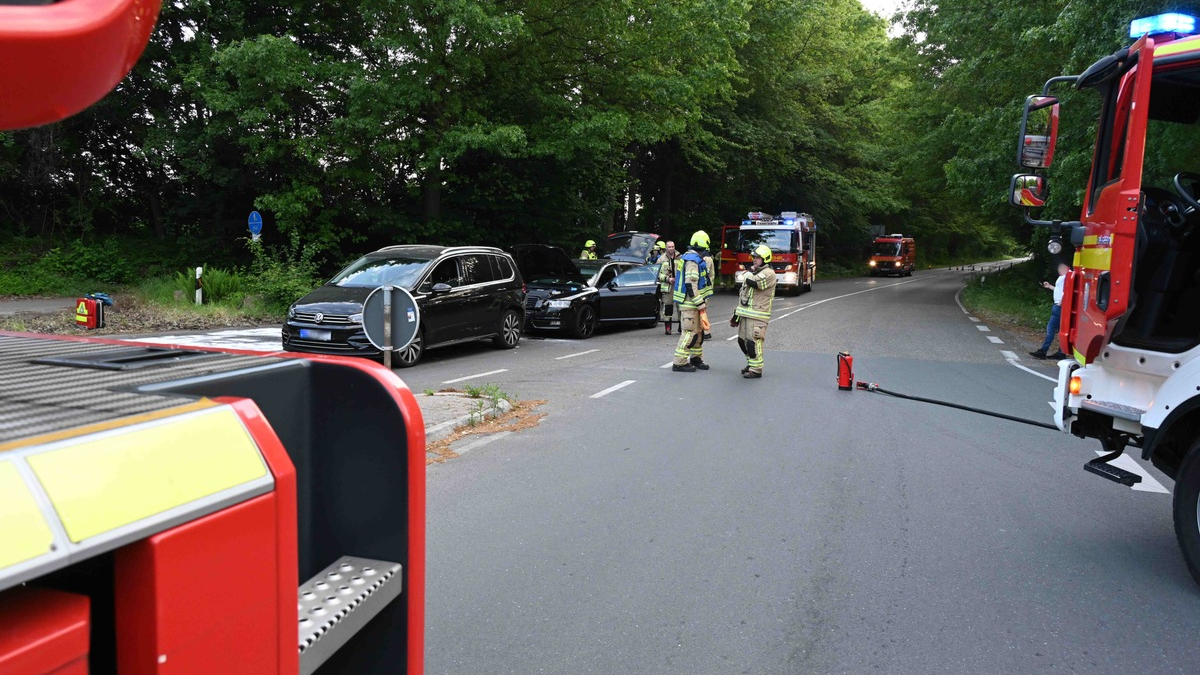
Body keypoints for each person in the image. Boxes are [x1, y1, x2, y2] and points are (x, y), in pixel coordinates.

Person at [731, 244, 777, 378]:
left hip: (758, 315)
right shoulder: (754, 273)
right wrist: (736, 315)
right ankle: (751, 363)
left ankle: (756, 369)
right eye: (754, 257)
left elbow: (755, 283)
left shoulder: (769, 273)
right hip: (746, 313)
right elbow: (743, 295)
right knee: (742, 341)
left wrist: (747, 274)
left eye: (757, 257)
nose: (754, 260)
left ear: (765, 259)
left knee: (753, 342)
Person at [672, 231, 712, 372]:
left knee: (698, 333)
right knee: (689, 333)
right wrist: (700, 303)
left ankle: (696, 358)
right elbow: (690, 284)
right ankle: (679, 363)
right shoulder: (692, 261)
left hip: (694, 303)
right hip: (690, 304)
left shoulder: (692, 258)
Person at [1030, 261, 1070, 360]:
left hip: (1059, 306)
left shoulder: (1068, 275)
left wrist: (1061, 301)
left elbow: (1068, 289)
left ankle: (1043, 351)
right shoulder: (1063, 276)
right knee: (1061, 330)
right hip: (1059, 305)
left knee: (1050, 328)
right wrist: (1050, 286)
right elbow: (1060, 289)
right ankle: (1061, 352)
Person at [656, 241, 678, 334]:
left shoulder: (680, 257)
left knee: (681, 307)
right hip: (667, 287)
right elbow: (657, 274)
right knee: (668, 307)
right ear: (666, 248)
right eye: (669, 247)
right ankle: (668, 328)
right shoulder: (661, 259)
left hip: (678, 286)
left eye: (673, 246)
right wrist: (667, 279)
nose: (671, 248)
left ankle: (681, 327)